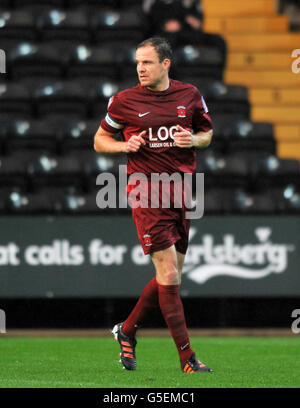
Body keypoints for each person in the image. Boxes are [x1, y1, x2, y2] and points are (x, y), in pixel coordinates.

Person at [94, 37, 213, 374]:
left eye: (146, 62)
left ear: (165, 64)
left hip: (182, 190)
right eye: (137, 62)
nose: (140, 69)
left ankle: (127, 330)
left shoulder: (189, 95)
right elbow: (99, 140)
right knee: (170, 274)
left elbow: (207, 133)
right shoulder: (124, 101)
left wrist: (195, 139)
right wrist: (123, 146)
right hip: (146, 191)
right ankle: (187, 359)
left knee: (169, 278)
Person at [143, 0, 227, 66]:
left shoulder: (193, 2)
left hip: (189, 33)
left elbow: (197, 23)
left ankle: (218, 82)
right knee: (168, 43)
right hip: (167, 34)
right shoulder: (157, 3)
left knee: (218, 41)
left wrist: (186, 22)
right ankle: (169, 82)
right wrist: (164, 24)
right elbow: (153, 20)